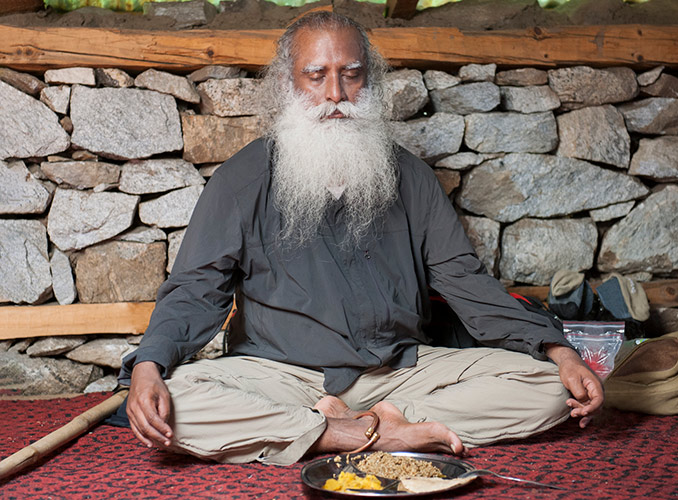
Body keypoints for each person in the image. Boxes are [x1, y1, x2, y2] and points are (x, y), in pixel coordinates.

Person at [119, 11, 603, 466]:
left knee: (548, 384)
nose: (335, 93)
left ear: (369, 79)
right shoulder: (241, 181)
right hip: (283, 376)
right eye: (315, 75)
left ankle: (384, 423)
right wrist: (149, 365)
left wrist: (557, 350)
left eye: (350, 74)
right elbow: (195, 291)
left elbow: (467, 283)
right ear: (289, 84)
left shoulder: (410, 178)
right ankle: (338, 431)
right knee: (177, 400)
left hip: (397, 372)